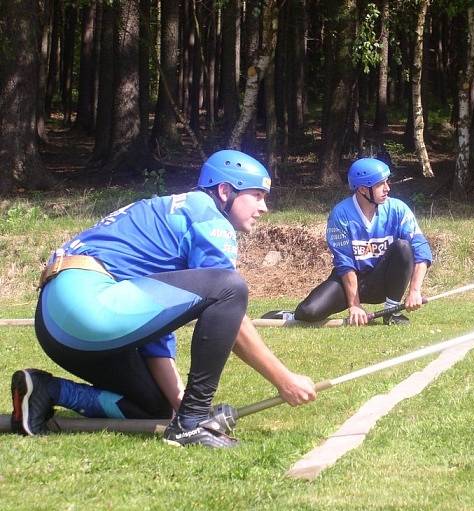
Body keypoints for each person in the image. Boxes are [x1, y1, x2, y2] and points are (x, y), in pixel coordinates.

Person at [10, 150, 317, 448]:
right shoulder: (207, 217)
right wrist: (283, 379)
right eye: (258, 196)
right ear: (225, 190)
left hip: (57, 324)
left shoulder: (167, 212)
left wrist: (177, 406)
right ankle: (193, 423)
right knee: (230, 287)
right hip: (87, 308)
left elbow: (155, 329)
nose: (264, 208)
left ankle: (47, 390)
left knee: (156, 410)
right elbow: (230, 308)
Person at [286, 157, 432, 326]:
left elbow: (421, 249)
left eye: (387, 182)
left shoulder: (398, 208)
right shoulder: (340, 214)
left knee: (403, 247)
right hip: (352, 280)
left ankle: (392, 312)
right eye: (380, 184)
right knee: (308, 311)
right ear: (363, 189)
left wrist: (414, 291)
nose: (387, 188)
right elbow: (344, 263)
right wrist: (354, 305)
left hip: (382, 280)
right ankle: (287, 315)